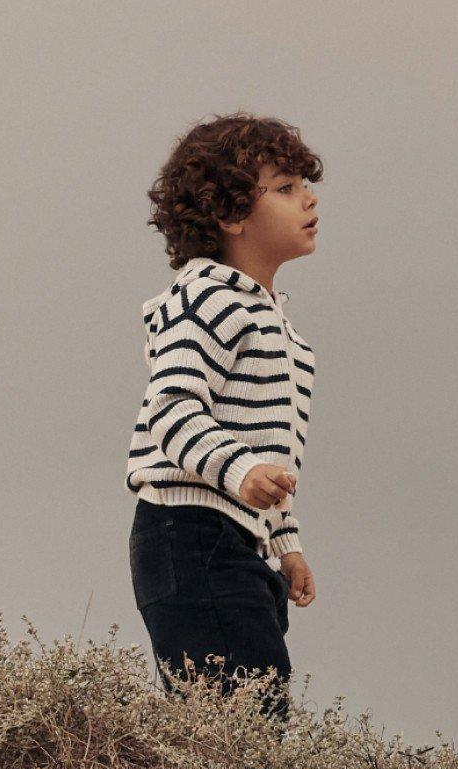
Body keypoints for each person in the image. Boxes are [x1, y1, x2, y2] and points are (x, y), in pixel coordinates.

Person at [124, 112, 322, 728]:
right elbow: (172, 409)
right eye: (285, 188)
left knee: (258, 700)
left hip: (238, 541)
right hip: (187, 533)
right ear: (232, 216)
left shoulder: (278, 326)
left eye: (304, 185)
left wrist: (285, 546)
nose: (308, 198)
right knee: (239, 718)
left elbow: (271, 461)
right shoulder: (207, 295)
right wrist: (239, 473)